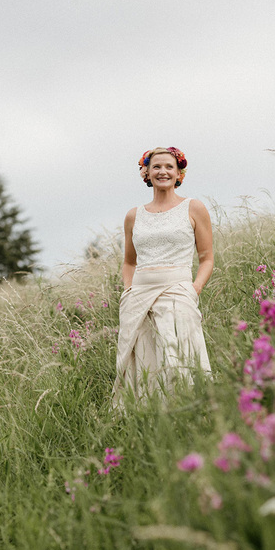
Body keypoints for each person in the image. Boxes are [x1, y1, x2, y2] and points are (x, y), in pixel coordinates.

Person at [113, 147, 213, 408]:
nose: (163, 172)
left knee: (179, 360)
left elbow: (207, 258)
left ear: (179, 172)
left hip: (178, 291)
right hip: (139, 298)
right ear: (146, 172)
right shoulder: (134, 215)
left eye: (169, 166)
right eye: (156, 166)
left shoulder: (194, 207)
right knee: (143, 364)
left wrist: (193, 289)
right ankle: (149, 424)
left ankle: (189, 416)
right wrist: (128, 291)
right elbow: (129, 262)